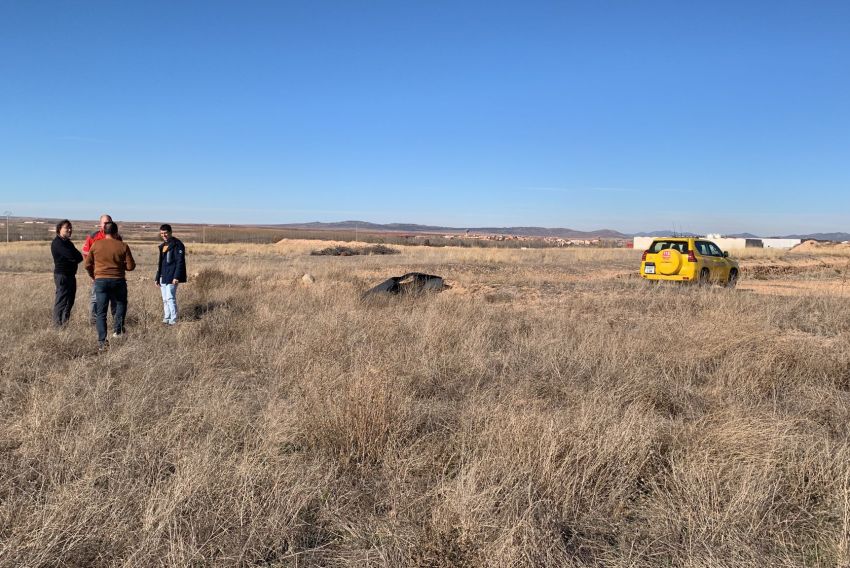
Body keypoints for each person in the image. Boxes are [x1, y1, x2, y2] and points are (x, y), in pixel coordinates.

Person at [84, 222, 135, 350]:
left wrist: (94, 275)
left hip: (100, 281)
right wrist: (119, 266)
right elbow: (131, 266)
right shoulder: (123, 246)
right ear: (116, 232)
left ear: (103, 231)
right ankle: (118, 331)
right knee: (120, 304)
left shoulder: (96, 245)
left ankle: (102, 342)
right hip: (118, 280)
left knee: (101, 312)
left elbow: (87, 265)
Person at [82, 214, 119, 322]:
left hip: (114, 276)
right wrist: (92, 273)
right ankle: (94, 321)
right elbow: (85, 254)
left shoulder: (117, 237)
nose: (107, 224)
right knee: (95, 299)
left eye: (109, 222)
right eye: (105, 222)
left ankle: (116, 322)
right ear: (100, 225)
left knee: (115, 299)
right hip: (98, 275)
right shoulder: (93, 237)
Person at [50, 219, 83, 326]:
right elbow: (72, 256)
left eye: (70, 228)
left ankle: (64, 323)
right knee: (61, 300)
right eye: (67, 228)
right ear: (59, 229)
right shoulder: (57, 243)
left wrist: (74, 257)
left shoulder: (68, 243)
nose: (69, 230)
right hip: (62, 276)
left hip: (71, 276)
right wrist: (73, 257)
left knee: (70, 301)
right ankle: (57, 325)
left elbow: (79, 257)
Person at [154, 224, 187, 325]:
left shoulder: (178, 244)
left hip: (172, 276)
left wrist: (176, 277)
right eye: (162, 233)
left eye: (165, 233)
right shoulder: (163, 245)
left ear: (170, 232)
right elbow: (160, 263)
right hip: (163, 276)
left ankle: (174, 319)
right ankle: (166, 317)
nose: (164, 235)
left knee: (170, 298)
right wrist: (157, 277)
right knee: (165, 299)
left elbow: (180, 262)